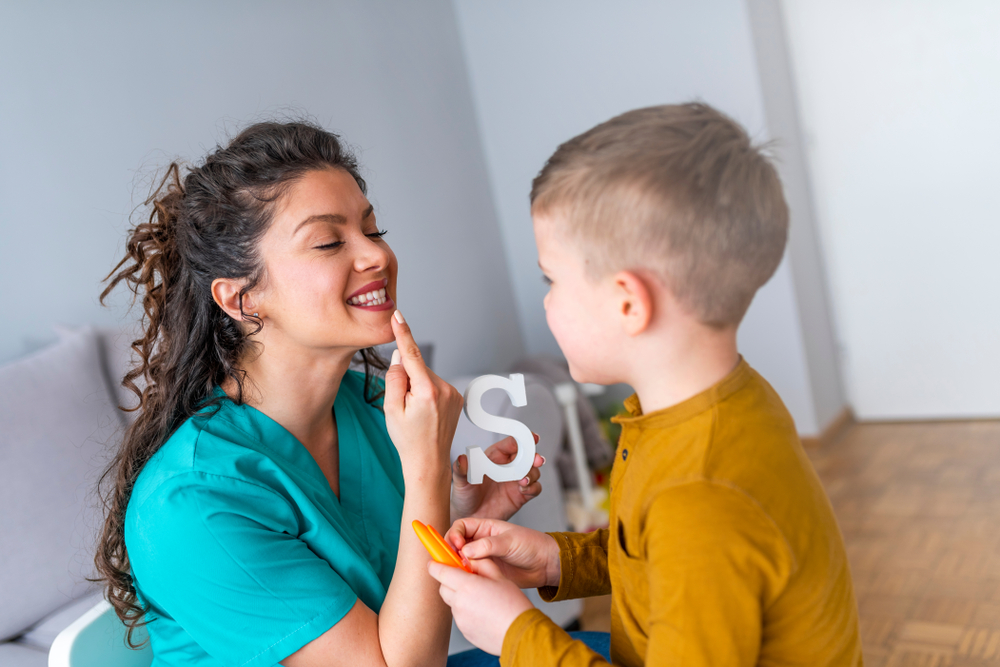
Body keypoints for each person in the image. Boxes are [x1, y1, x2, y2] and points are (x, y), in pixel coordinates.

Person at [94, 121, 546, 667]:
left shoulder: (368, 405)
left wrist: (454, 511)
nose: (377, 256)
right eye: (330, 241)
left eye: (373, 230)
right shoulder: (192, 501)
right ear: (242, 299)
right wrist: (425, 465)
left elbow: (399, 583)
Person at [428, 103, 864, 666]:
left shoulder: (701, 497)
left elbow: (686, 536)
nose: (546, 300)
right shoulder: (717, 401)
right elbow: (654, 556)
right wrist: (554, 560)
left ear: (629, 303)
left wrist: (516, 634)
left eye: (551, 279)